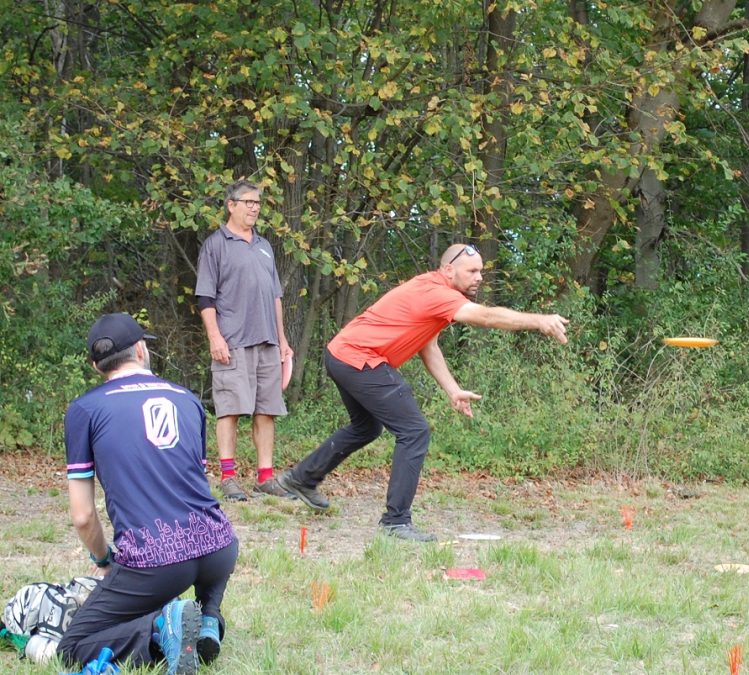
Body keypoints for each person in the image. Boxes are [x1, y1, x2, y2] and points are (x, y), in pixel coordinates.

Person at [271, 243, 570, 541]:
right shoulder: (437, 293)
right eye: (473, 271)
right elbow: (487, 317)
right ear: (449, 270)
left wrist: (453, 390)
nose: (479, 277)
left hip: (342, 355)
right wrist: (539, 320)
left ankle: (301, 478)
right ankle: (396, 521)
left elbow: (428, 345)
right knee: (414, 431)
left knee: (366, 428)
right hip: (359, 358)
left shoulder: (435, 291)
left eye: (481, 271)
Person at [58, 313, 239, 675]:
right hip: (220, 546)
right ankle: (208, 617)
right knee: (200, 555)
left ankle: (160, 628)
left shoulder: (86, 409)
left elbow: (82, 515)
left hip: (158, 563)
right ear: (141, 350)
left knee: (73, 646)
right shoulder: (188, 400)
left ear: (97, 366)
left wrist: (104, 560)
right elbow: (191, 484)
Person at [195, 179, 295, 500]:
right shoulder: (216, 244)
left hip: (267, 341)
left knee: (266, 410)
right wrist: (215, 337)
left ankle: (265, 477)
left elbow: (276, 296)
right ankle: (228, 477)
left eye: (258, 203)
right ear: (231, 205)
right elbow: (205, 299)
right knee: (231, 409)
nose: (254, 207)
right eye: (248, 202)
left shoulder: (264, 246)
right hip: (233, 341)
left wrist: (282, 340)